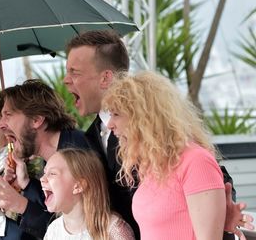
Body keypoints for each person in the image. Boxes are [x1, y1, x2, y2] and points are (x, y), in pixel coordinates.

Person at [64, 30, 254, 239]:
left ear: (144, 118)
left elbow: (212, 179)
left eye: (75, 72)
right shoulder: (148, 164)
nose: (111, 124)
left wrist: (218, 215)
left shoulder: (188, 156)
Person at [102, 71, 226, 239]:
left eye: (116, 114)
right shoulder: (152, 165)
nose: (110, 125)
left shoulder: (196, 161)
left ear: (144, 117)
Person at [0, 79, 91, 239]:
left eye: (8, 115)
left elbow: (75, 229)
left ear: (36, 120)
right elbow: (54, 216)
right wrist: (25, 182)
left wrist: (19, 204)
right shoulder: (54, 156)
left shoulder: (78, 155)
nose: (1, 125)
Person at [41, 148, 134, 240]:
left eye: (52, 173)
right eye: (44, 173)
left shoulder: (113, 230)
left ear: (78, 186)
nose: (42, 179)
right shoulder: (52, 231)